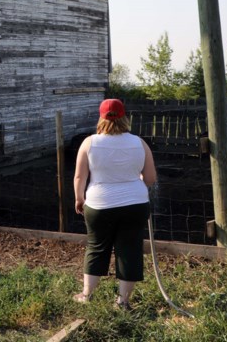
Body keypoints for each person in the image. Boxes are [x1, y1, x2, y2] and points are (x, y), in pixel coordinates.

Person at [72, 98, 157, 310]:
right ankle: (123, 302)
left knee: (97, 247)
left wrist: (79, 199)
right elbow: (150, 178)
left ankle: (86, 295)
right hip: (135, 205)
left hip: (99, 205)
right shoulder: (139, 143)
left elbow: (79, 177)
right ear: (124, 116)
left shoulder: (89, 142)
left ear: (101, 117)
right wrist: (132, 181)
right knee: (130, 249)